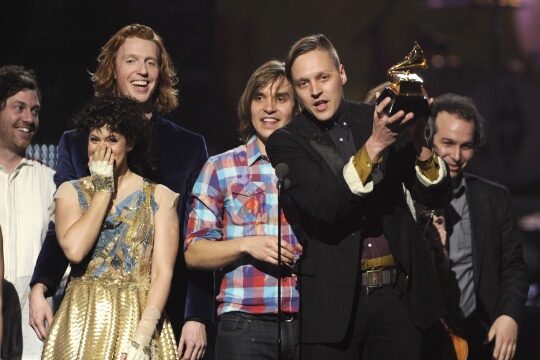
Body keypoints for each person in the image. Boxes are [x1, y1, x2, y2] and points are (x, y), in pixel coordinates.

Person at [28, 24, 212, 359]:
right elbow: (63, 228)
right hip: (88, 313)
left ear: (162, 72)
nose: (142, 71)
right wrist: (40, 285)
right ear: (113, 68)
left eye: (151, 63)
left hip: (164, 307)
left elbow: (197, 236)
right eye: (131, 61)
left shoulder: (188, 146)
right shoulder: (76, 141)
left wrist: (196, 315)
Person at [266, 34, 452, 359]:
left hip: (400, 299)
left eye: (323, 77)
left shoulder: (376, 118)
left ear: (342, 74)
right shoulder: (286, 141)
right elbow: (325, 206)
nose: (315, 91)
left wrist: (420, 138)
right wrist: (376, 144)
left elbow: (434, 194)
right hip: (333, 305)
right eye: (303, 83)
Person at [41, 96, 178, 358]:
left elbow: (162, 273)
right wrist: (103, 189)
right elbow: (75, 250)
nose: (102, 148)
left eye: (112, 139)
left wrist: (143, 336)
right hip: (82, 322)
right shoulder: (70, 192)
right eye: (95, 139)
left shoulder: (159, 196)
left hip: (138, 319)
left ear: (130, 144)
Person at [184, 60, 302, 359]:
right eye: (259, 97)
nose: (269, 108)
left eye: (281, 98)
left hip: (307, 321)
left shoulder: (312, 168)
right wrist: (248, 245)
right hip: (244, 324)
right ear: (248, 105)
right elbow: (194, 252)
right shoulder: (221, 168)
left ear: (297, 108)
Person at [427, 93, 528, 360]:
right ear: (429, 140)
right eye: (447, 143)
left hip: (480, 335)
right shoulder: (405, 197)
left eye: (467, 146)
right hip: (421, 339)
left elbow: (514, 267)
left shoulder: (495, 198)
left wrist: (509, 315)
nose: (456, 156)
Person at [0, 65, 56, 359]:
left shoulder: (50, 181)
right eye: (19, 107)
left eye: (34, 111)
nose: (29, 119)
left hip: (34, 322)